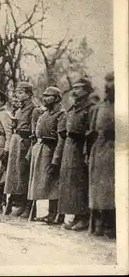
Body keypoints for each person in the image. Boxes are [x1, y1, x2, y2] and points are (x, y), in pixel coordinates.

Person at [57, 78, 95, 231]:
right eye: (73, 88)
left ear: (86, 90)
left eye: (78, 88)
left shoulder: (90, 107)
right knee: (70, 183)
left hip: (80, 147)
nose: (74, 91)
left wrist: (86, 150)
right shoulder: (73, 107)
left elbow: (90, 131)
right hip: (69, 146)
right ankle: (74, 216)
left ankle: (83, 217)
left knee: (80, 182)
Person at [3, 82, 43, 218]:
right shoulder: (21, 108)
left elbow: (36, 130)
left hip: (26, 142)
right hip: (18, 141)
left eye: (21, 93)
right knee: (17, 175)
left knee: (26, 174)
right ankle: (17, 203)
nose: (17, 95)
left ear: (29, 94)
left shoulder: (34, 109)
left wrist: (31, 147)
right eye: (17, 92)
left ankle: (28, 207)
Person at [27, 87, 66, 223]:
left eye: (48, 96)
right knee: (40, 182)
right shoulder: (44, 114)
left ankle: (54, 214)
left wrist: (56, 159)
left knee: (52, 182)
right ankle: (44, 213)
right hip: (40, 148)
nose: (44, 99)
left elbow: (61, 139)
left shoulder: (61, 115)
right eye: (43, 96)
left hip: (51, 150)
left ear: (56, 98)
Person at [88, 71, 115, 238]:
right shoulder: (100, 107)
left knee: (111, 187)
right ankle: (100, 222)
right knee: (99, 187)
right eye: (106, 82)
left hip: (116, 148)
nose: (108, 85)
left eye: (111, 82)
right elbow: (91, 131)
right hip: (99, 148)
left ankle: (111, 224)